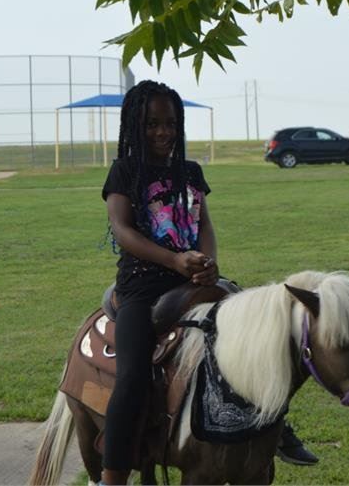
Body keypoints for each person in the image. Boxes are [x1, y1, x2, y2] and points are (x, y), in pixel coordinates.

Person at [100, 80, 314, 484]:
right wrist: (175, 260)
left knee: (257, 339)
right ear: (134, 125)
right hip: (143, 287)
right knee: (130, 377)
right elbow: (123, 229)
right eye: (151, 124)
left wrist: (208, 263)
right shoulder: (124, 171)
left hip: (194, 278)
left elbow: (204, 223)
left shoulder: (191, 172)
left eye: (170, 123)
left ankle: (275, 424)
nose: (163, 132)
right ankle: (113, 476)